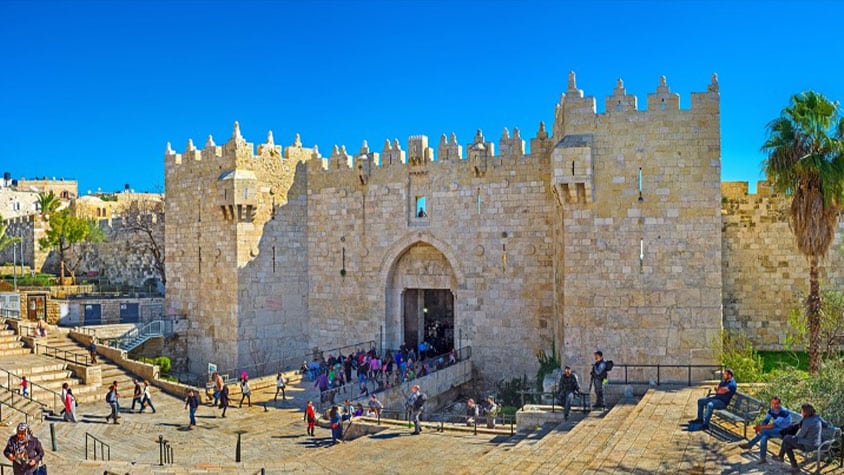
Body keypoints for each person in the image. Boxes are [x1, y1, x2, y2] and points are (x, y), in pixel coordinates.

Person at [739, 396, 792, 463]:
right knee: (764, 436)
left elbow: (773, 425)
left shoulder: (783, 412)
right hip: (776, 429)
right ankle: (762, 458)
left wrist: (761, 428)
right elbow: (766, 420)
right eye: (773, 403)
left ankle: (750, 444)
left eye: (776, 404)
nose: (775, 405)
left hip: (784, 431)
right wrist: (762, 425)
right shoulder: (771, 409)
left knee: (764, 431)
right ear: (771, 403)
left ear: (780, 404)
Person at [777, 403, 823, 472]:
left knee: (786, 438)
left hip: (808, 445)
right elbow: (826, 424)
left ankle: (786, 460)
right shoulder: (817, 417)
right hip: (816, 443)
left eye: (801, 410)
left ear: (805, 412)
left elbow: (800, 436)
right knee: (787, 443)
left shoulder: (807, 421)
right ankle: (786, 461)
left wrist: (793, 436)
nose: (800, 411)